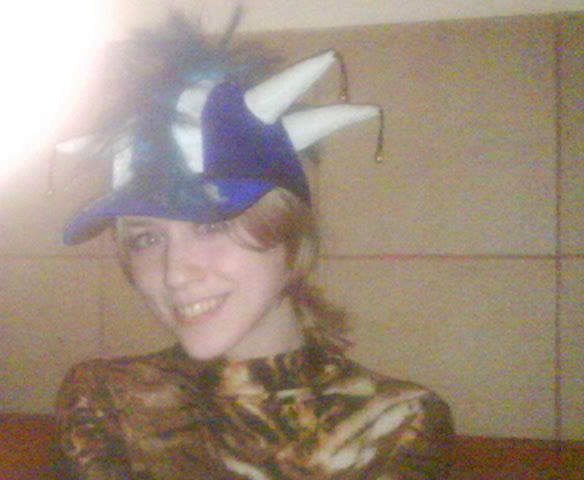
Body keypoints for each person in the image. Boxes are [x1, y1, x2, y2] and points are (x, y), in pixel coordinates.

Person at [55, 13, 454, 480]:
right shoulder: (105, 400)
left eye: (211, 225)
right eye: (147, 238)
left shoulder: (397, 424)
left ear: (291, 238)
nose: (174, 274)